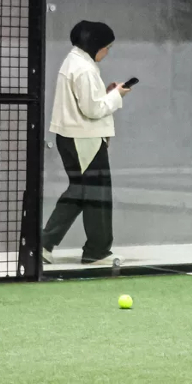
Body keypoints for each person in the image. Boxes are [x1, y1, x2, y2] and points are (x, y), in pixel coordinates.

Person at [41, 21, 131, 265]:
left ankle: (46, 244)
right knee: (95, 193)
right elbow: (92, 109)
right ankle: (96, 250)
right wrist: (117, 95)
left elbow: (86, 102)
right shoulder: (84, 69)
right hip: (84, 139)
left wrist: (108, 92)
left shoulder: (74, 62)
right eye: (106, 47)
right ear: (95, 45)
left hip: (72, 138)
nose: (107, 52)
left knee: (81, 191)